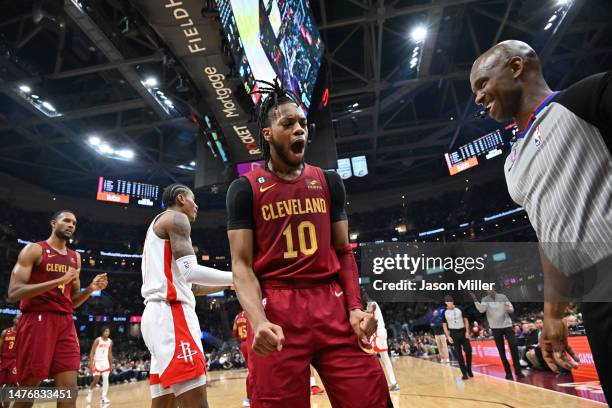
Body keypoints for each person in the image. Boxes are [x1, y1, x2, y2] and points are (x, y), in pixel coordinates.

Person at [226, 78, 391, 408]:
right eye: (288, 123)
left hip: (331, 303)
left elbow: (343, 251)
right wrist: (257, 321)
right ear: (268, 134)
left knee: (370, 398)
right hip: (277, 307)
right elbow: (241, 266)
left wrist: (355, 308)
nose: (299, 129)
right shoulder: (245, 189)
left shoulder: (329, 181)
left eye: (302, 123)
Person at [470, 39, 612, 402]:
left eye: (482, 83)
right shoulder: (512, 162)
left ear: (516, 68)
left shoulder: (584, 99)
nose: (478, 97)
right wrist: (553, 314)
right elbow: (549, 234)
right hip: (595, 295)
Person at [140, 184, 234, 408]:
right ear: (181, 198)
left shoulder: (158, 228)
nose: (196, 206)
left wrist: (231, 283)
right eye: (193, 200)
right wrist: (239, 276)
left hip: (156, 318)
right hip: (172, 316)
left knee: (164, 404)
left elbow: (191, 287)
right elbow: (191, 271)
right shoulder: (176, 219)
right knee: (197, 403)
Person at [7, 210, 108, 408]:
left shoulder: (74, 258)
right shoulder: (34, 250)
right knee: (29, 388)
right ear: (53, 223)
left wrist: (90, 289)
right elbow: (14, 292)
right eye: (66, 221)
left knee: (69, 391)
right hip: (37, 320)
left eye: (74, 223)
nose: (71, 225)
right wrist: (58, 281)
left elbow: (71, 302)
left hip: (65, 322)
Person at [470, 287, 525, 380]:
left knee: (513, 347)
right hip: (495, 328)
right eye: (487, 289)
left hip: (507, 325)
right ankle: (508, 372)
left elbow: (510, 307)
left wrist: (507, 309)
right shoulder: (485, 299)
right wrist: (475, 299)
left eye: (490, 288)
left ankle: (518, 371)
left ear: (494, 289)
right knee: (501, 350)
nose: (489, 290)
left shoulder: (502, 297)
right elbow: (481, 309)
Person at [362, 291, 399, 392]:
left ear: (368, 296)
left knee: (371, 357)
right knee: (385, 358)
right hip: (381, 332)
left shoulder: (372, 304)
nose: (364, 297)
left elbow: (369, 312)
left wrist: (359, 313)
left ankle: (375, 384)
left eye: (365, 295)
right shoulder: (372, 304)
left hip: (377, 333)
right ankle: (393, 383)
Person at [441, 295, 472, 380]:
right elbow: (444, 325)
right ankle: (464, 373)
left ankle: (469, 369)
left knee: (468, 350)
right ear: (445, 303)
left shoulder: (459, 308)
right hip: (453, 333)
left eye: (451, 302)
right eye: (448, 302)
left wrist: (467, 331)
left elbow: (466, 320)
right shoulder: (444, 312)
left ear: (453, 301)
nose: (449, 304)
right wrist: (448, 336)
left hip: (462, 331)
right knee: (459, 355)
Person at [86, 327, 113, 404]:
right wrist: (91, 363)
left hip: (105, 362)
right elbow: (92, 352)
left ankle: (104, 397)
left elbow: (110, 353)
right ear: (102, 332)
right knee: (96, 380)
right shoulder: (98, 340)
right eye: (106, 331)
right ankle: (90, 392)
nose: (107, 333)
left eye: (108, 331)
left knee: (106, 379)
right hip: (97, 362)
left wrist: (111, 364)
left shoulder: (110, 341)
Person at [233, 310, 253, 407]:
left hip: (243, 343)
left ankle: (250, 396)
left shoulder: (237, 316)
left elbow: (234, 333)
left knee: (251, 370)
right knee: (253, 371)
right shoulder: (251, 313)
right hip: (251, 342)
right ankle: (249, 397)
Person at [0, 315, 20, 406]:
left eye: (20, 319)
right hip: (4, 360)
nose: (19, 320)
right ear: (14, 320)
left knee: (10, 385)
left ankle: (7, 405)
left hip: (14, 361)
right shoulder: (5, 332)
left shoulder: (22, 334)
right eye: (17, 318)